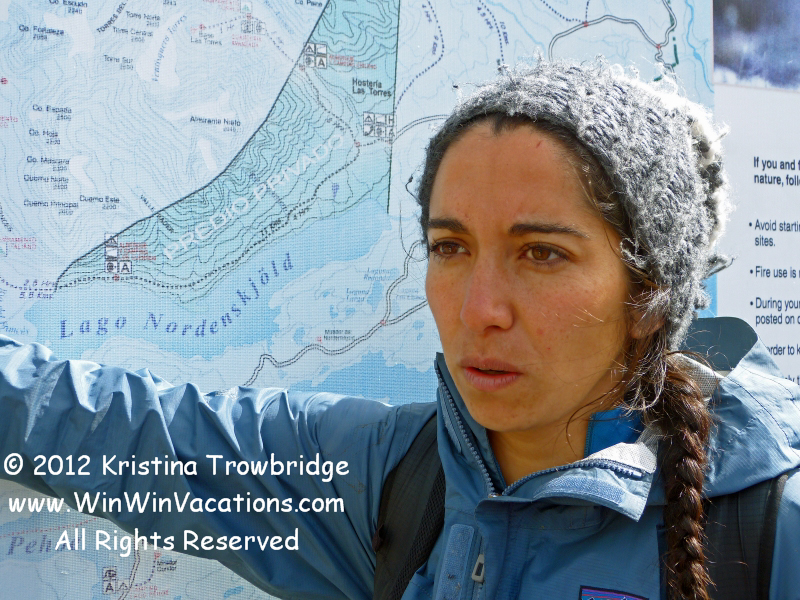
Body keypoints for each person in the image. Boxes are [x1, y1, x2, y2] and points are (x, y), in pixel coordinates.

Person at [1, 59, 799, 600]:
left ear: (651, 294)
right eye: (451, 247)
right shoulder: (400, 482)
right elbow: (141, 434)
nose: (479, 308)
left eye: (542, 254)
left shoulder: (770, 528)